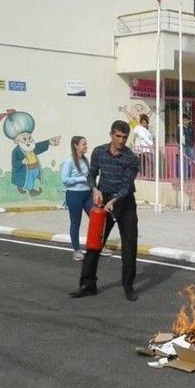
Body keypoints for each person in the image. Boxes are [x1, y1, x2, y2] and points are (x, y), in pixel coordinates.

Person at [72, 120, 140, 301]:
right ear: (111, 134)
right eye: (118, 136)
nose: (121, 140)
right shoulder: (99, 152)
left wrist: (115, 200)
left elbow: (127, 185)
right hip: (104, 199)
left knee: (129, 246)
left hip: (125, 202)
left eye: (124, 137)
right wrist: (94, 189)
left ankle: (128, 286)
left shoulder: (132, 158)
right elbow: (91, 174)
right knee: (94, 243)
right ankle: (88, 284)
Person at [61, 136, 93, 261]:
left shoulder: (85, 160)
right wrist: (80, 179)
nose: (86, 146)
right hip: (74, 195)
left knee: (97, 218)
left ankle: (97, 245)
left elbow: (89, 177)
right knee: (76, 222)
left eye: (86, 144)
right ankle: (76, 250)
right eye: (84, 144)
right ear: (76, 145)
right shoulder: (69, 161)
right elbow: (64, 180)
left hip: (87, 194)